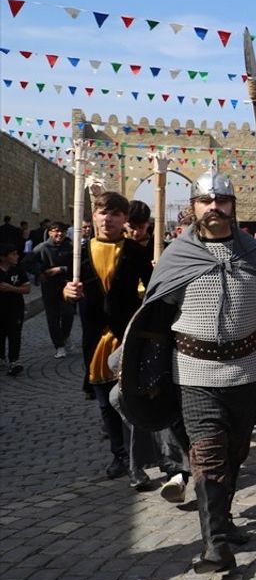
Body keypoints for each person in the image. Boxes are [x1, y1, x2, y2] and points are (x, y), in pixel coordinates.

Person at [118, 170, 256, 573]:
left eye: (222, 200)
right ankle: (215, 544)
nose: (214, 207)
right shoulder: (177, 256)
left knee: (236, 453)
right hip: (195, 373)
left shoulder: (253, 253)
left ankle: (225, 520)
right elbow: (154, 320)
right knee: (209, 454)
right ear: (194, 207)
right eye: (206, 201)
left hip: (247, 371)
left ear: (233, 206)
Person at [63, 191, 153, 480]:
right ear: (94, 216)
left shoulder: (138, 253)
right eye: (103, 212)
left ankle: (139, 458)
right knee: (105, 404)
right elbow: (67, 290)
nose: (108, 218)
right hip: (94, 339)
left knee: (130, 400)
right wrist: (67, 292)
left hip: (126, 337)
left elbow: (153, 293)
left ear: (124, 219)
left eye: (115, 213)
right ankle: (120, 455)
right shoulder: (78, 253)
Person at [26, 221, 75, 358]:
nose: (59, 234)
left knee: (68, 314)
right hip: (49, 286)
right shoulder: (42, 247)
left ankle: (65, 336)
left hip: (67, 285)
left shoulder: (71, 246)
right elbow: (26, 263)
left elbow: (79, 264)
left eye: (62, 231)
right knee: (52, 317)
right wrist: (39, 273)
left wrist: (60, 269)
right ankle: (59, 346)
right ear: (50, 232)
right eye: (56, 231)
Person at [0, 242, 30, 376]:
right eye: (13, 254)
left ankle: (14, 361)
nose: (17, 256)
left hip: (15, 309)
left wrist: (11, 288)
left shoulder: (18, 270)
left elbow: (27, 289)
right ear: (3, 257)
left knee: (14, 335)